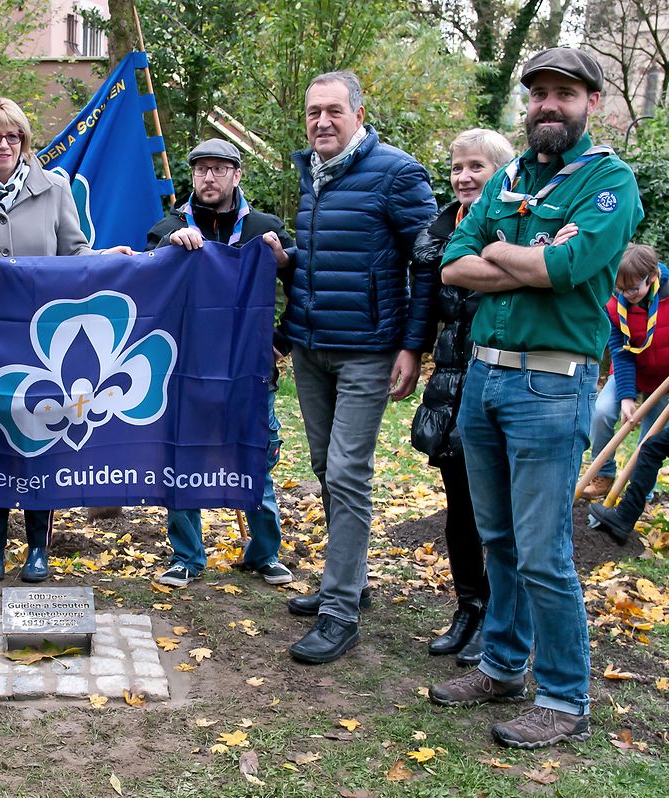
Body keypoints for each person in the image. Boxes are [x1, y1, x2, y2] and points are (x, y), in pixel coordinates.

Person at [429, 48, 643, 749]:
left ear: (594, 104)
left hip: (552, 382)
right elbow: (453, 262)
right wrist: (523, 263)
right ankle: (501, 667)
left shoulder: (609, 183)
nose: (548, 105)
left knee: (544, 549)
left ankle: (562, 697)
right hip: (486, 376)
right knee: (498, 538)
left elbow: (566, 266)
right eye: (539, 95)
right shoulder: (512, 176)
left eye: (564, 94)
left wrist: (508, 257)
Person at [262, 70, 437, 664]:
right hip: (312, 346)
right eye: (313, 112)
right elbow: (326, 261)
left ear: (359, 114)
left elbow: (428, 265)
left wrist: (413, 347)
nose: (322, 122)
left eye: (334, 111)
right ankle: (349, 581)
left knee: (347, 471)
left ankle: (340, 612)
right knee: (322, 464)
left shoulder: (397, 172)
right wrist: (286, 264)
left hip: (369, 348)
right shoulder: (311, 175)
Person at [0, 96, 134, 582]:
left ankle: (38, 548)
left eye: (13, 135)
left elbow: (77, 253)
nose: (4, 144)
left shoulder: (53, 189)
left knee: (44, 441)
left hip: (44, 341)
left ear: (25, 141)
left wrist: (112, 261)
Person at [144, 138, 295, 588]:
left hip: (248, 373)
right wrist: (168, 247)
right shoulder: (169, 226)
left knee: (255, 458)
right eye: (201, 169)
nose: (208, 177)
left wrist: (281, 343)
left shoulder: (264, 228)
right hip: (185, 372)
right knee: (182, 459)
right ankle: (186, 556)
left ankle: (264, 554)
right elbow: (144, 287)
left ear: (237, 174)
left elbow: (302, 287)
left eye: (219, 169)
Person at [410, 129, 515, 666]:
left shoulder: (515, 226)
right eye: (456, 168)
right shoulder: (440, 231)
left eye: (476, 166)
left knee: (496, 511)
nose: (464, 177)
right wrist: (412, 352)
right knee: (460, 507)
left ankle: (500, 618)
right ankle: (468, 607)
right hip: (452, 383)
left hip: (502, 380)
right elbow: (426, 307)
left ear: (501, 172)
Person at [580, 243, 669, 499]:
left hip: (664, 381)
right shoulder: (613, 303)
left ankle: (640, 492)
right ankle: (603, 476)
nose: (627, 294)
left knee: (649, 439)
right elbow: (619, 350)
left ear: (651, 276)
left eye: (633, 288)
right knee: (601, 412)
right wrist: (627, 397)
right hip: (630, 370)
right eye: (620, 288)